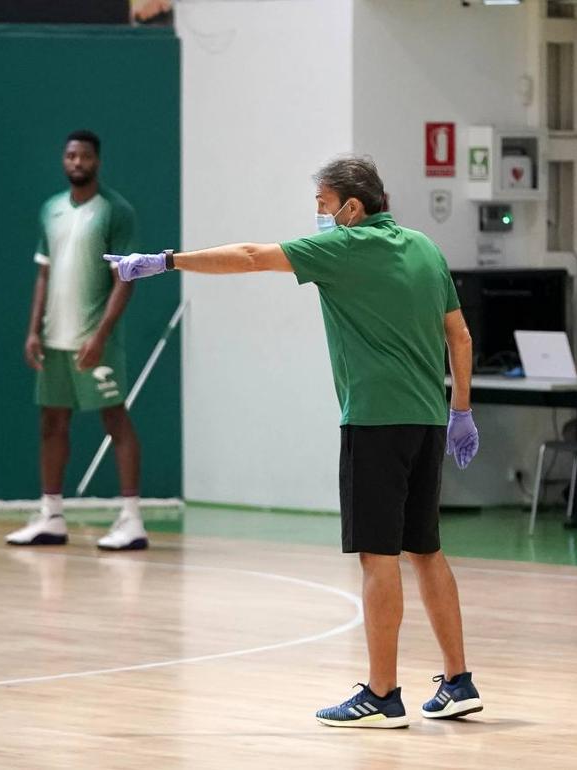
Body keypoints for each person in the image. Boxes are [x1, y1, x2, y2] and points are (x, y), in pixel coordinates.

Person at [105, 156, 484, 728]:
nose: (319, 221)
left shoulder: (343, 249)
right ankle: (458, 683)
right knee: (425, 551)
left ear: (352, 208)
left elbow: (252, 256)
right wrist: (461, 411)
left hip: (375, 423)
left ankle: (382, 695)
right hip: (428, 421)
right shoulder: (426, 249)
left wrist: (165, 261)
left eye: (323, 208)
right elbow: (460, 335)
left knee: (377, 557)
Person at [6, 130, 149, 552]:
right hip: (55, 340)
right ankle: (50, 514)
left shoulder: (115, 211)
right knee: (52, 422)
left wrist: (101, 335)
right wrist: (34, 330)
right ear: (63, 160)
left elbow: (126, 279)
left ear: (97, 162)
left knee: (114, 420)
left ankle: (132, 519)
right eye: (70, 155)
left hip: (95, 341)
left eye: (84, 156)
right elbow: (44, 273)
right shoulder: (50, 209)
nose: (76, 162)